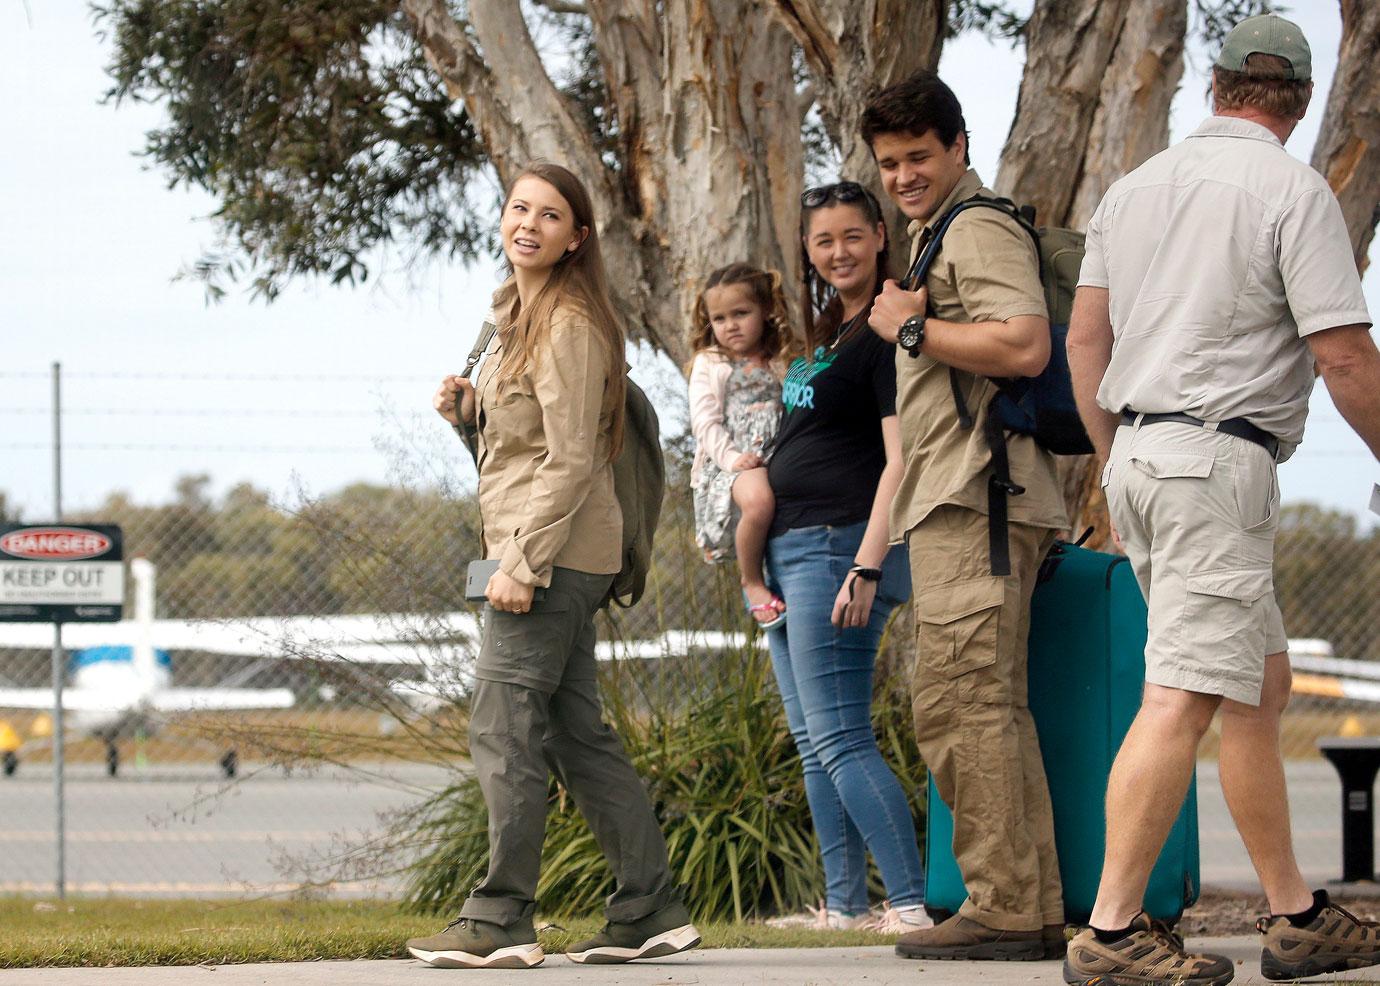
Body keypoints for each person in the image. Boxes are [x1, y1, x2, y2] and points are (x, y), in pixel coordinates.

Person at [1064, 15, 1380, 986]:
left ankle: (1295, 915)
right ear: (1297, 95)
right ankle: (1113, 932)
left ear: (1216, 83)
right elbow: (1340, 353)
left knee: (1258, 684)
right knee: (1181, 697)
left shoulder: (1136, 188)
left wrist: (1122, 463)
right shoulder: (1293, 190)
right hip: (1215, 460)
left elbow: (1087, 343)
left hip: (1142, 452)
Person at [408, 162, 700, 970]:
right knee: (576, 736)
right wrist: (467, 420)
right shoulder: (515, 317)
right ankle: (649, 908)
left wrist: (523, 562)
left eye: (549, 215)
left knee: (503, 729)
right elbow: (520, 452)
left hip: (549, 559)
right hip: (544, 552)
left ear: (577, 238)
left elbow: (574, 462)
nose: (527, 224)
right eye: (518, 208)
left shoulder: (568, 324)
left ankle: (502, 918)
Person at [862, 71, 1067, 961]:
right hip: (969, 501)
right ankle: (1026, 902)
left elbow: (1024, 342)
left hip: (977, 502)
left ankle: (1007, 905)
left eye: (919, 156)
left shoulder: (974, 228)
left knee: (962, 705)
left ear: (958, 147)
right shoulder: (936, 233)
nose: (904, 175)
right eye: (889, 162)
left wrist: (912, 328)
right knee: (983, 709)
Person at [762, 179, 929, 934]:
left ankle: (912, 904)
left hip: (837, 548)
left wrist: (866, 563)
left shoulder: (887, 330)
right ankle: (844, 905)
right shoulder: (831, 329)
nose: (838, 252)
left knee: (841, 736)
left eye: (852, 237)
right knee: (814, 741)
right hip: (791, 548)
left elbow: (903, 460)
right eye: (823, 240)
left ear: (880, 237)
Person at [688, 263, 791, 627]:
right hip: (731, 462)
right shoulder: (710, 363)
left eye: (740, 313)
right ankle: (752, 581)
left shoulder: (781, 358)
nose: (729, 325)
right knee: (759, 500)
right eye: (719, 318)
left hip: (779, 452)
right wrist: (733, 459)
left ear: (765, 311)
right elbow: (705, 422)